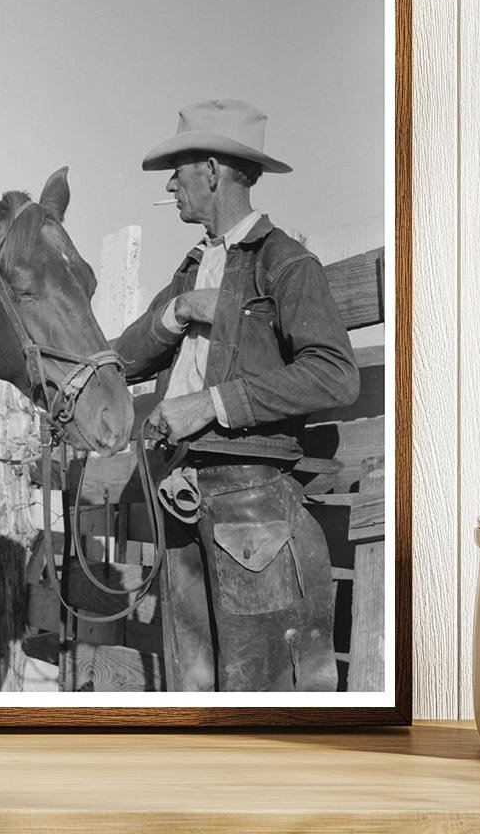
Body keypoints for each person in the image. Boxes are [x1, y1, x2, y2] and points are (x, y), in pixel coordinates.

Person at [116, 98, 360, 692]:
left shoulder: (286, 263)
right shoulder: (194, 265)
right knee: (193, 683)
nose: (170, 184)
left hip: (254, 503)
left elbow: (334, 374)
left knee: (262, 689)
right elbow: (122, 360)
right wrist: (176, 311)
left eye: (179, 169)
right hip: (185, 495)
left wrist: (211, 403)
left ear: (213, 170)